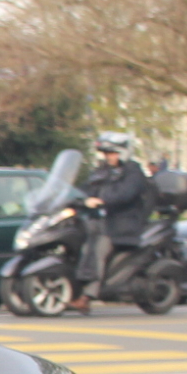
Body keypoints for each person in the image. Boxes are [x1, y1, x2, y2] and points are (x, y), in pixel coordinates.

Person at [71, 131, 156, 312]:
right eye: (106, 154)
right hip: (99, 221)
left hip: (122, 224)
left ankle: (87, 296)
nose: (109, 157)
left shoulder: (133, 172)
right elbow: (86, 188)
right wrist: (76, 199)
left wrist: (102, 200)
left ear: (123, 152)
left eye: (112, 153)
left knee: (96, 248)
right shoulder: (103, 171)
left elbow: (125, 193)